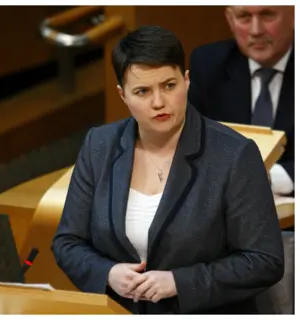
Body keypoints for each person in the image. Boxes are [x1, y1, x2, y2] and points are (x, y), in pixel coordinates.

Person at [52, 25, 284, 314]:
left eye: (169, 85)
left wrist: (179, 282)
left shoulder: (234, 155)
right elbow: (67, 242)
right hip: (118, 310)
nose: (159, 102)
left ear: (186, 81)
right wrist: (108, 273)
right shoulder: (99, 145)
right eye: (142, 91)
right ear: (123, 95)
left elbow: (264, 260)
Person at [188, 6, 294, 196]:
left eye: (267, 15)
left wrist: (263, 178)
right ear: (230, 20)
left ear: (294, 15)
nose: (256, 30)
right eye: (244, 17)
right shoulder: (208, 64)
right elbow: (190, 145)